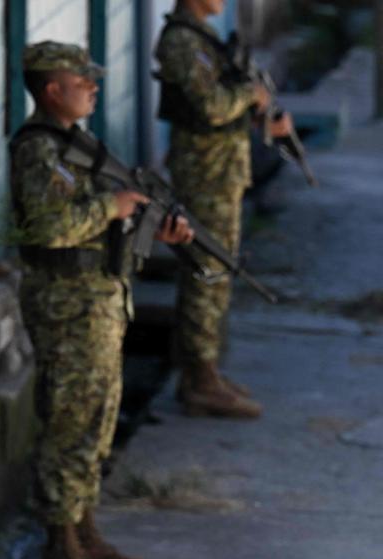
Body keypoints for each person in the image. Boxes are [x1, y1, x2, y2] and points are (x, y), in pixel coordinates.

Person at [10, 42, 194, 559]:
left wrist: (144, 223)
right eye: (81, 79)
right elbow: (47, 227)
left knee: (98, 418)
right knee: (69, 419)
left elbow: (99, 218)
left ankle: (85, 530)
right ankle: (58, 547)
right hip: (67, 302)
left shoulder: (79, 144)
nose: (92, 86)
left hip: (99, 298)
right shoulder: (37, 151)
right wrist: (109, 209)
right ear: (51, 90)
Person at [156, 0, 294, 418]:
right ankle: (200, 379)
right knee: (206, 270)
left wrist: (258, 119)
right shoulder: (181, 40)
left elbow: (221, 111)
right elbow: (211, 107)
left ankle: (203, 371)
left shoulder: (204, 36)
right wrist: (249, 94)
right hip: (204, 177)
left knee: (216, 271)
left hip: (221, 172)